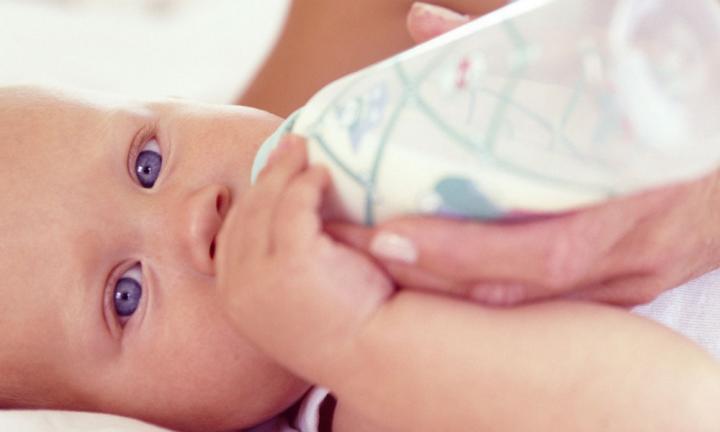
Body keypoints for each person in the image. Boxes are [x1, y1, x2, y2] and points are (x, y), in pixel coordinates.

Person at [0, 3, 718, 432]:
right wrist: (357, 338)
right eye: (124, 296)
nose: (199, 213)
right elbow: (681, 410)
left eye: (146, 162)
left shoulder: (374, 114)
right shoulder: (362, 400)